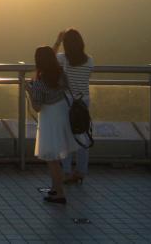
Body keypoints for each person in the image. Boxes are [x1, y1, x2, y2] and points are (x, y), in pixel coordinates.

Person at [27, 46, 77, 204]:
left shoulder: (40, 82)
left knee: (52, 158)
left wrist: (29, 90)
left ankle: (59, 193)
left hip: (49, 119)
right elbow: (66, 89)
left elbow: (37, 107)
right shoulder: (61, 74)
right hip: (62, 113)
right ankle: (55, 188)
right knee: (55, 156)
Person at [53, 28, 94, 184]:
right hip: (84, 101)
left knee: (66, 137)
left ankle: (66, 171)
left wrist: (57, 41)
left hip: (68, 102)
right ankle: (81, 171)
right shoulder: (90, 60)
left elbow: (49, 58)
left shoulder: (63, 59)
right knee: (82, 135)